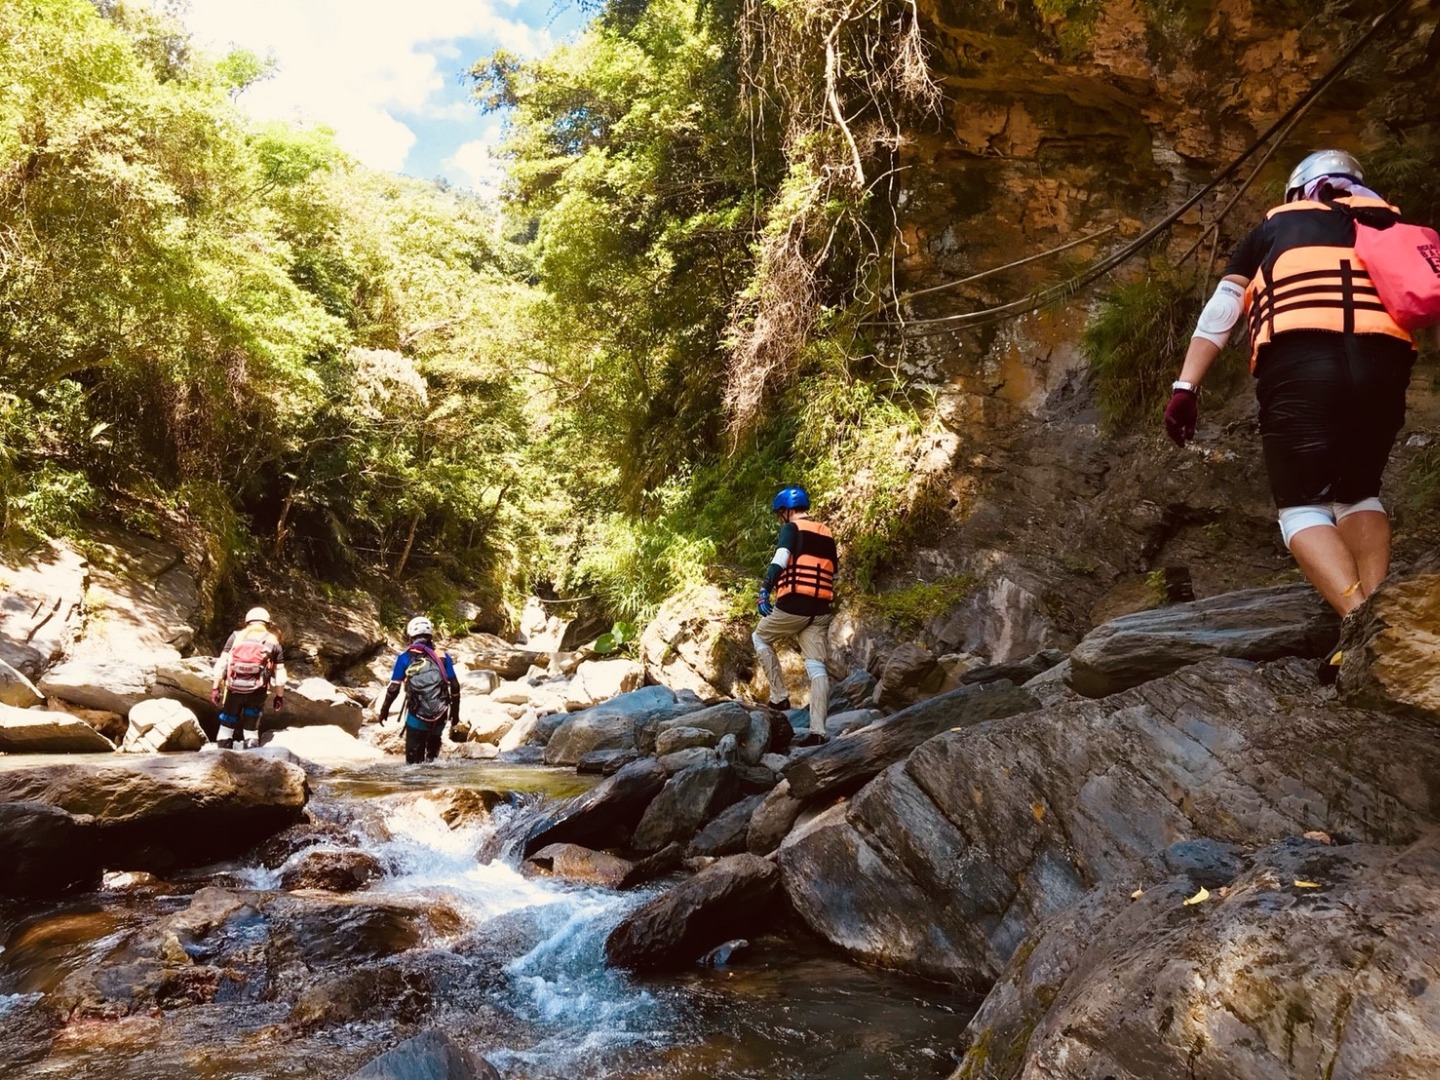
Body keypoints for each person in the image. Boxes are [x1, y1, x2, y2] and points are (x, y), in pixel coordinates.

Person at [1166, 149, 1422, 635]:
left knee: (1301, 505)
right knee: (1358, 494)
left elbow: (1222, 313)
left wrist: (1186, 387)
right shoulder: (1390, 228)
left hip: (1303, 368)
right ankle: (1381, 620)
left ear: (1297, 191)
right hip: (1384, 370)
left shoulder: (1272, 229)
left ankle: (1358, 624)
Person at [753, 486, 839, 747]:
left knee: (760, 637)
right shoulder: (826, 532)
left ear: (787, 511)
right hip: (820, 611)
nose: (781, 518)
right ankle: (818, 732)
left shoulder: (791, 529)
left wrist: (765, 588)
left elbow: (781, 557)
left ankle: (779, 697)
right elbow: (833, 574)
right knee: (816, 666)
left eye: (781, 513)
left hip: (793, 607)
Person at [378, 616, 461, 764]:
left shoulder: (405, 657)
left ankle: (415, 786)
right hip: (440, 714)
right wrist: (455, 714)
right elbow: (454, 686)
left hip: (417, 715)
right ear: (431, 636)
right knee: (433, 762)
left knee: (413, 764)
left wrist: (384, 710)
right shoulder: (443, 656)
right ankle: (435, 782)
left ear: (410, 636)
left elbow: (393, 688)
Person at [211, 607, 286, 749]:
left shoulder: (235, 636)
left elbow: (221, 664)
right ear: (267, 624)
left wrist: (215, 688)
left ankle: (222, 758)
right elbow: (280, 675)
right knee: (251, 730)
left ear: (247, 622)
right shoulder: (273, 641)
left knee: (227, 726)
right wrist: (279, 696)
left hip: (233, 690)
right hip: (257, 693)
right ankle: (251, 758)